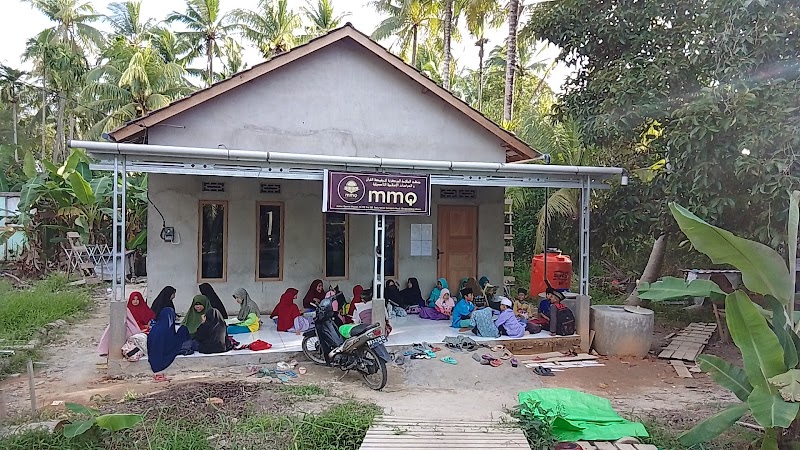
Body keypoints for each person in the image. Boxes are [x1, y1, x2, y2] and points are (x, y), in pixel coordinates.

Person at [146, 307, 190, 373]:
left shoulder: (156, 327)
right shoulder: (165, 328)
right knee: (183, 330)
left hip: (154, 351)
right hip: (163, 352)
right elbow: (170, 342)